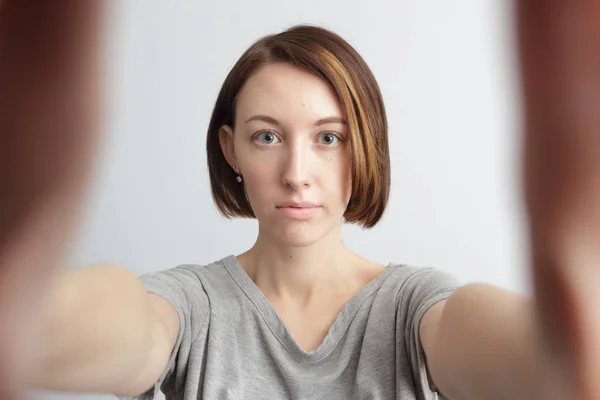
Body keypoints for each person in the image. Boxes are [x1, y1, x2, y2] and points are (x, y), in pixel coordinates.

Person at [1, 1, 599, 400]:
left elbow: (543, 363)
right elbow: (118, 323)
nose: (296, 173)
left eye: (328, 138)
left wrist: (573, 303)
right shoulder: (190, 306)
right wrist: (25, 308)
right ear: (230, 149)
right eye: (268, 136)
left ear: (363, 146)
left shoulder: (416, 308)